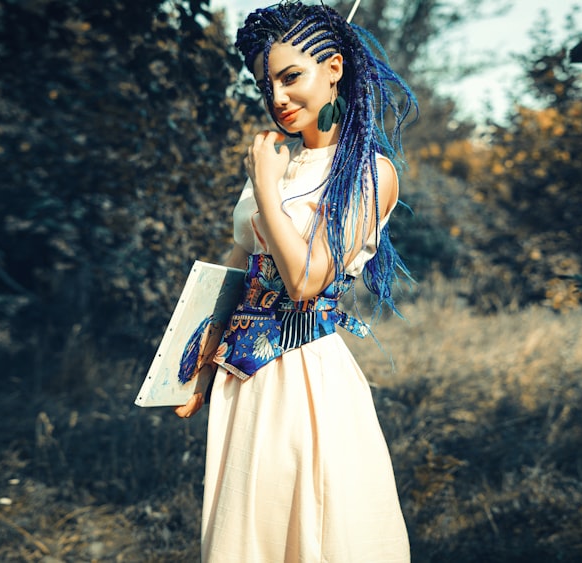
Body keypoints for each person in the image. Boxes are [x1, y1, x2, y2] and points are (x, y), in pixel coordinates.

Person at [174, 2, 417, 561]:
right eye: (267, 84)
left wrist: (265, 184)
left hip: (305, 373)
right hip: (244, 374)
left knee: (318, 529)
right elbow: (236, 268)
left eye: (291, 77)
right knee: (247, 533)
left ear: (333, 68)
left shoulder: (369, 173)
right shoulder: (278, 165)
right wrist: (194, 362)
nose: (278, 98)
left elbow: (307, 280)